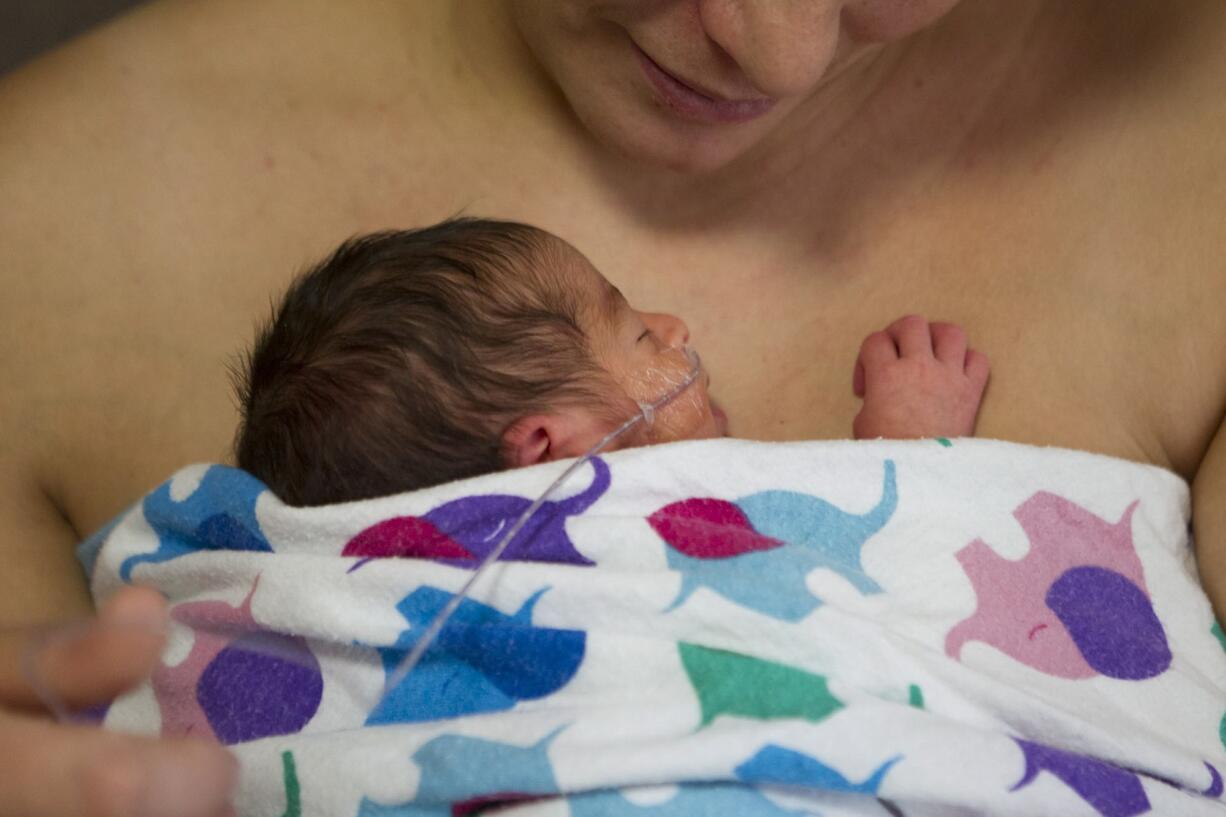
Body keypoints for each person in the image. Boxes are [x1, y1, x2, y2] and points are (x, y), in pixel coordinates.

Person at [1, 1, 1224, 815]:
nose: (776, 48)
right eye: (640, 335)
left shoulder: (1190, 128)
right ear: (542, 447)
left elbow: (891, 560)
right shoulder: (40, 223)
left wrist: (917, 462)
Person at [234, 218, 988, 505]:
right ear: (543, 452)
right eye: (635, 335)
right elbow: (864, 587)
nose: (674, 326)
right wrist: (910, 451)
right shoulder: (651, 530)